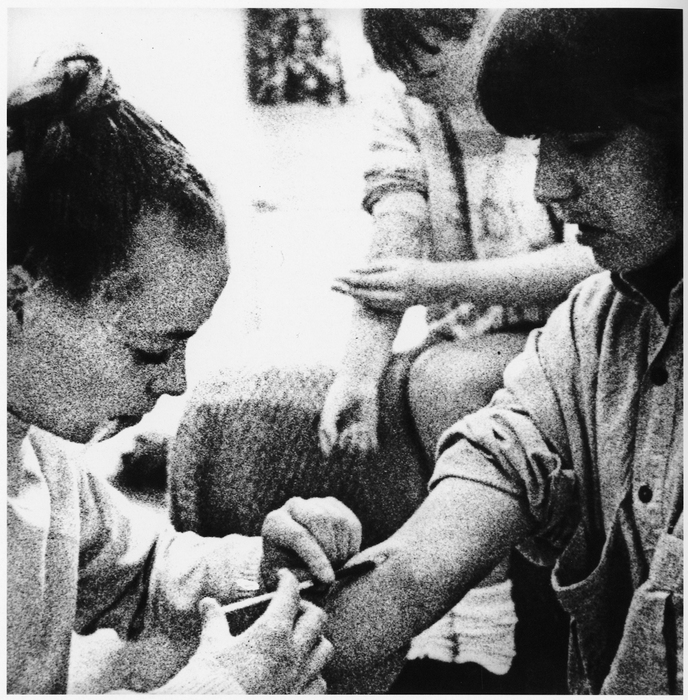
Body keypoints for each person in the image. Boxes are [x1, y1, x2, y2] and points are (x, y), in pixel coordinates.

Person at [322, 8, 682, 695]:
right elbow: (437, 542)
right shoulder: (592, 326)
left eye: (586, 144)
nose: (548, 186)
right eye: (543, 147)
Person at [7, 46, 363, 694]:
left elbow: (141, 575)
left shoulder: (46, 461)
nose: (177, 382)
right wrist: (219, 687)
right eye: (150, 350)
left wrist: (260, 564)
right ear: (15, 300)